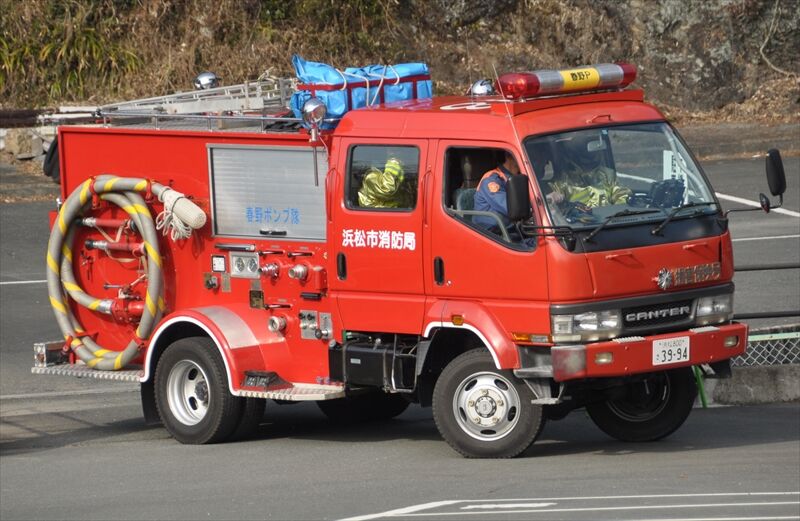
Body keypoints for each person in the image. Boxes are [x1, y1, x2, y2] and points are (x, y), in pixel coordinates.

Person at [548, 133, 631, 208]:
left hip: (610, 221)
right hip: (579, 223)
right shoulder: (563, 182)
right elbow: (549, 204)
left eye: (594, 154)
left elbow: (622, 196)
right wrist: (552, 197)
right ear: (575, 157)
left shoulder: (608, 174)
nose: (592, 158)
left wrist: (621, 207)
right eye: (586, 156)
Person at [473, 151, 523, 230]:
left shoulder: (517, 178)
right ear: (509, 156)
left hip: (510, 229)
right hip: (492, 234)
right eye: (521, 155)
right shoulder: (491, 179)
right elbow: (510, 208)